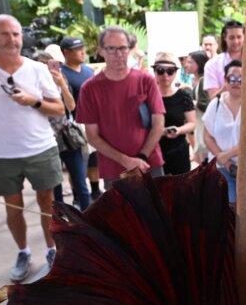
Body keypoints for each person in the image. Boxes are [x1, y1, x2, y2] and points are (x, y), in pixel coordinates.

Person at [0, 15, 66, 282]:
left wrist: (33, 101)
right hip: (3, 153)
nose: (11, 40)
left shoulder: (37, 69)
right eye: (4, 34)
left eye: (15, 34)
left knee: (47, 203)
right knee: (13, 209)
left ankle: (51, 250)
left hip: (40, 147)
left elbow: (59, 109)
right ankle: (23, 252)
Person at [77, 26, 166, 186]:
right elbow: (92, 136)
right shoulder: (89, 89)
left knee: (158, 202)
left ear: (129, 49)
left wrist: (142, 157)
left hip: (149, 163)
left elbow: (158, 124)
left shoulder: (146, 80)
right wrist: (127, 161)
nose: (118, 54)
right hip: (114, 169)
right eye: (111, 49)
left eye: (123, 48)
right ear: (101, 51)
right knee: (120, 204)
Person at [34, 48, 90, 211]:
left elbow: (71, 106)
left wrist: (61, 84)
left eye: (48, 65)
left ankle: (88, 218)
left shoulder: (60, 79)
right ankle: (60, 220)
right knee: (55, 187)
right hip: (45, 139)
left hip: (66, 136)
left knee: (80, 181)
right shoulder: (31, 85)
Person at [59, 36, 100, 202]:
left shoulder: (88, 71)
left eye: (83, 48)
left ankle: (96, 191)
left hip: (93, 122)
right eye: (77, 49)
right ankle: (78, 196)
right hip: (74, 125)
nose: (83, 52)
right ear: (66, 52)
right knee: (78, 165)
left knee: (94, 160)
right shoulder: (61, 74)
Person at [202, 59, 243, 206]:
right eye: (231, 78)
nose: (236, 82)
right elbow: (207, 136)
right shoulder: (216, 104)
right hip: (220, 169)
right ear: (225, 80)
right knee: (225, 207)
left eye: (241, 78)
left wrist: (226, 155)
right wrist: (226, 162)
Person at [153, 52, 196, 176]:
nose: (165, 75)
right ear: (154, 72)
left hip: (178, 152)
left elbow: (192, 123)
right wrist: (158, 132)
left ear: (176, 72)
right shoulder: (148, 96)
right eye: (160, 71)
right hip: (154, 151)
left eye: (170, 71)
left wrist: (178, 130)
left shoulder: (183, 96)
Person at [204, 20, 245, 99]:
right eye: (231, 37)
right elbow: (212, 97)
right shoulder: (212, 64)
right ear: (224, 37)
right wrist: (230, 84)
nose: (236, 41)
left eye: (239, 37)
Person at [186, 50, 211, 164]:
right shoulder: (194, 80)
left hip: (204, 125)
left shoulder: (204, 80)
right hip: (198, 124)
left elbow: (206, 105)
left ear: (199, 63)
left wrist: (191, 102)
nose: (187, 65)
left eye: (190, 62)